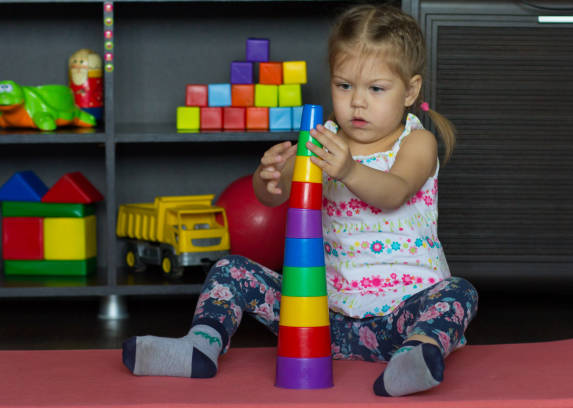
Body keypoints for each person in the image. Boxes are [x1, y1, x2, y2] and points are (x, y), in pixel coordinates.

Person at [122, 4, 478, 397]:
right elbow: (273, 197)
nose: (357, 102)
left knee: (459, 292)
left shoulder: (417, 141)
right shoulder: (323, 138)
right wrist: (268, 176)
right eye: (344, 86)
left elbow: (395, 190)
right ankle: (199, 346)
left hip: (401, 317)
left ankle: (416, 356)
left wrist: (349, 171)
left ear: (410, 90)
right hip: (318, 321)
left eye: (376, 89)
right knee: (229, 270)